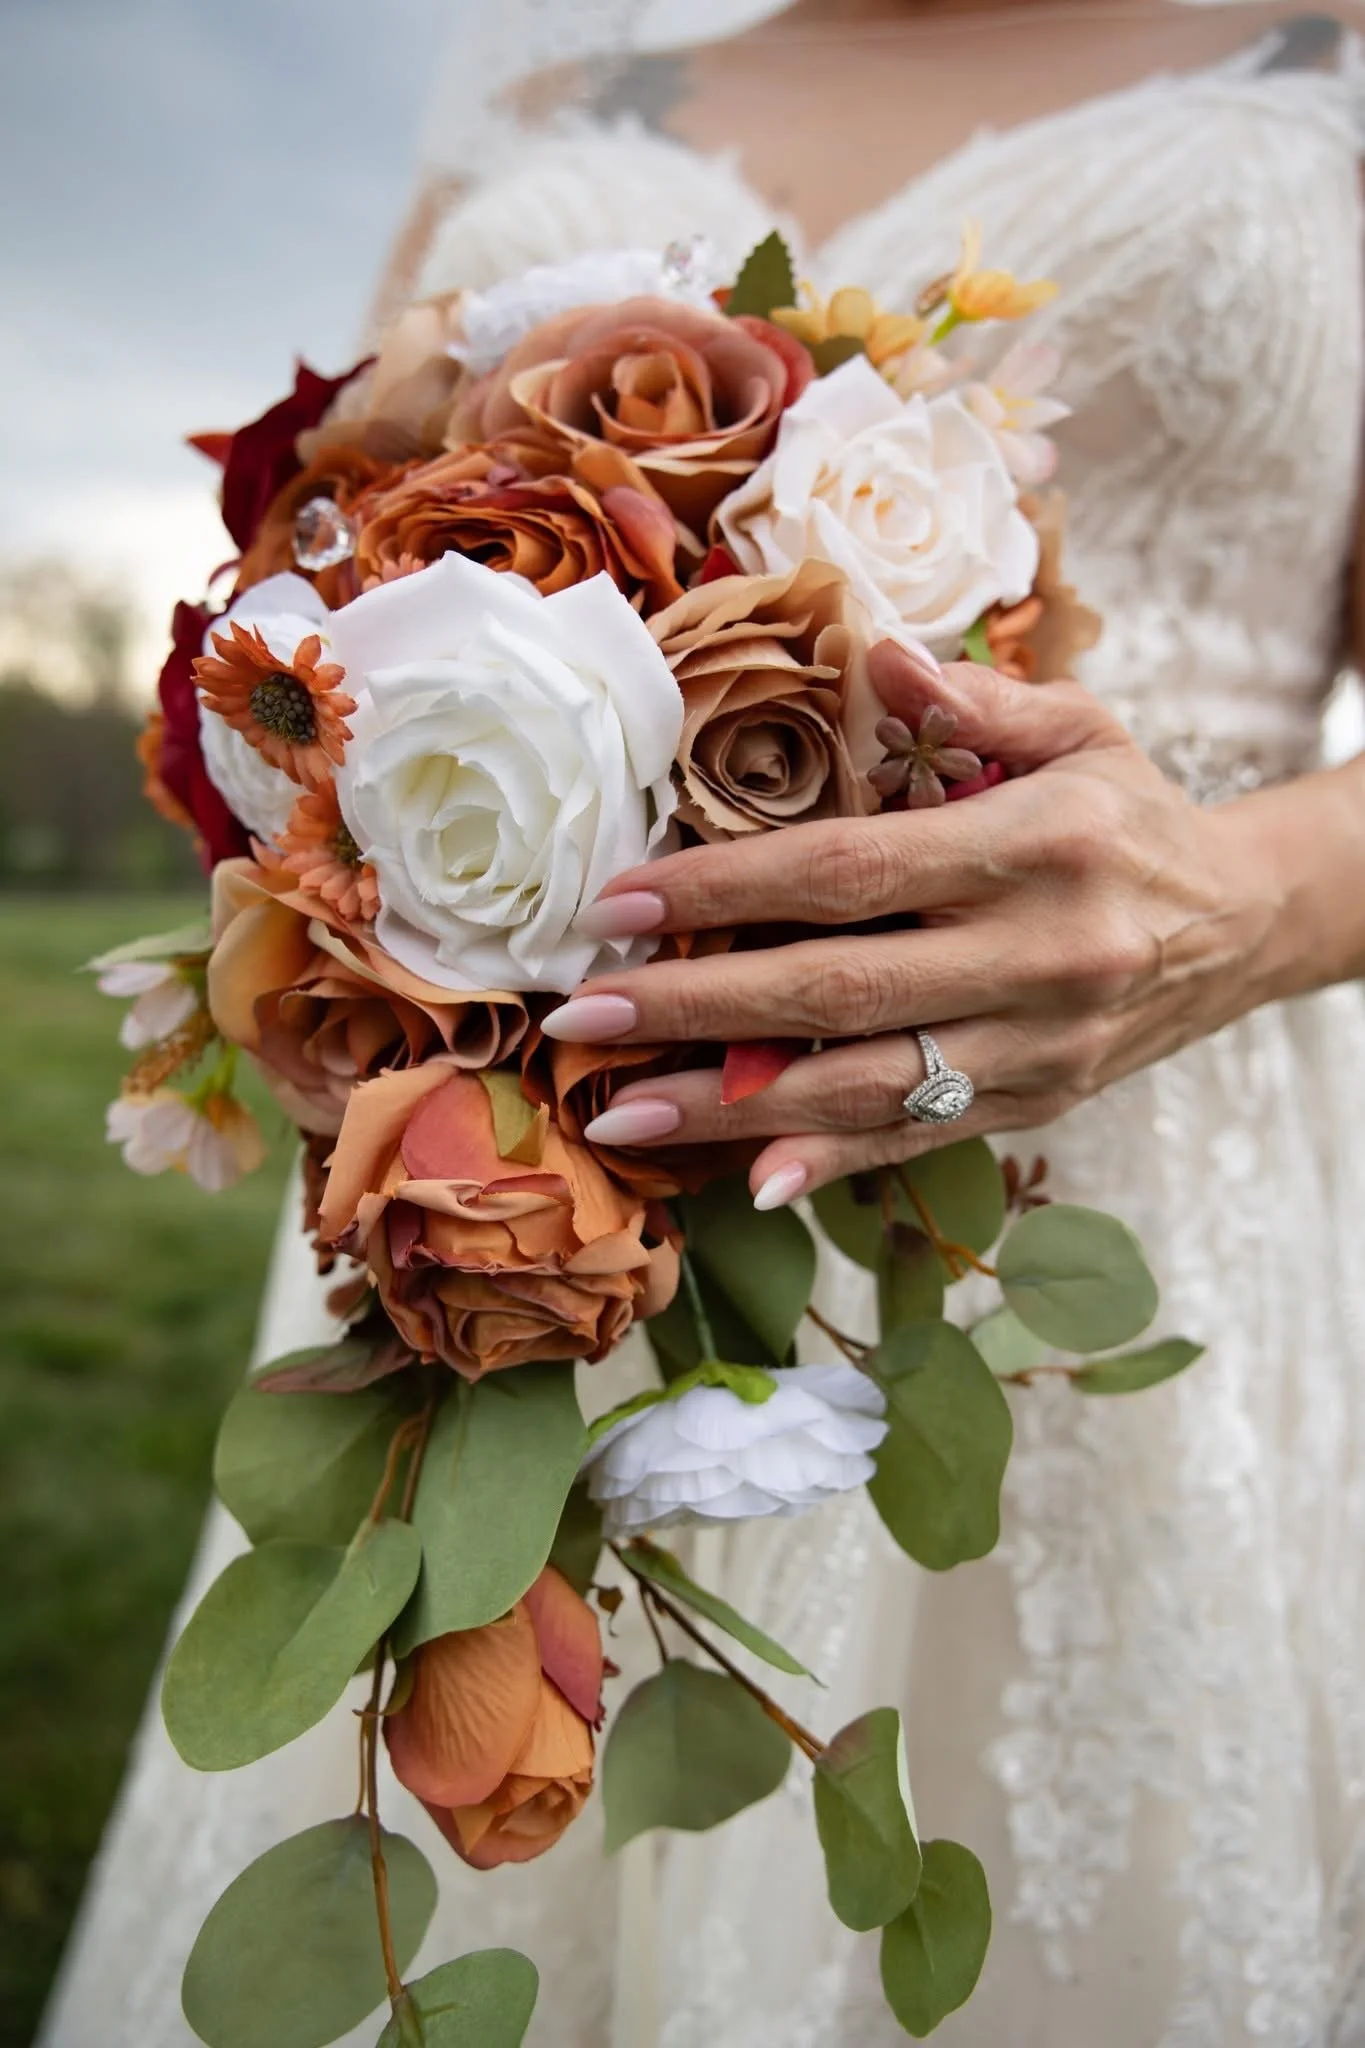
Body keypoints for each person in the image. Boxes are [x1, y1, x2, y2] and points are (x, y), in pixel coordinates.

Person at [40, 2, 1365, 2042]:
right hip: (498, 1200)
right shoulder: (540, 63)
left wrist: (1233, 905)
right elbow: (322, 573)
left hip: (1099, 1184)